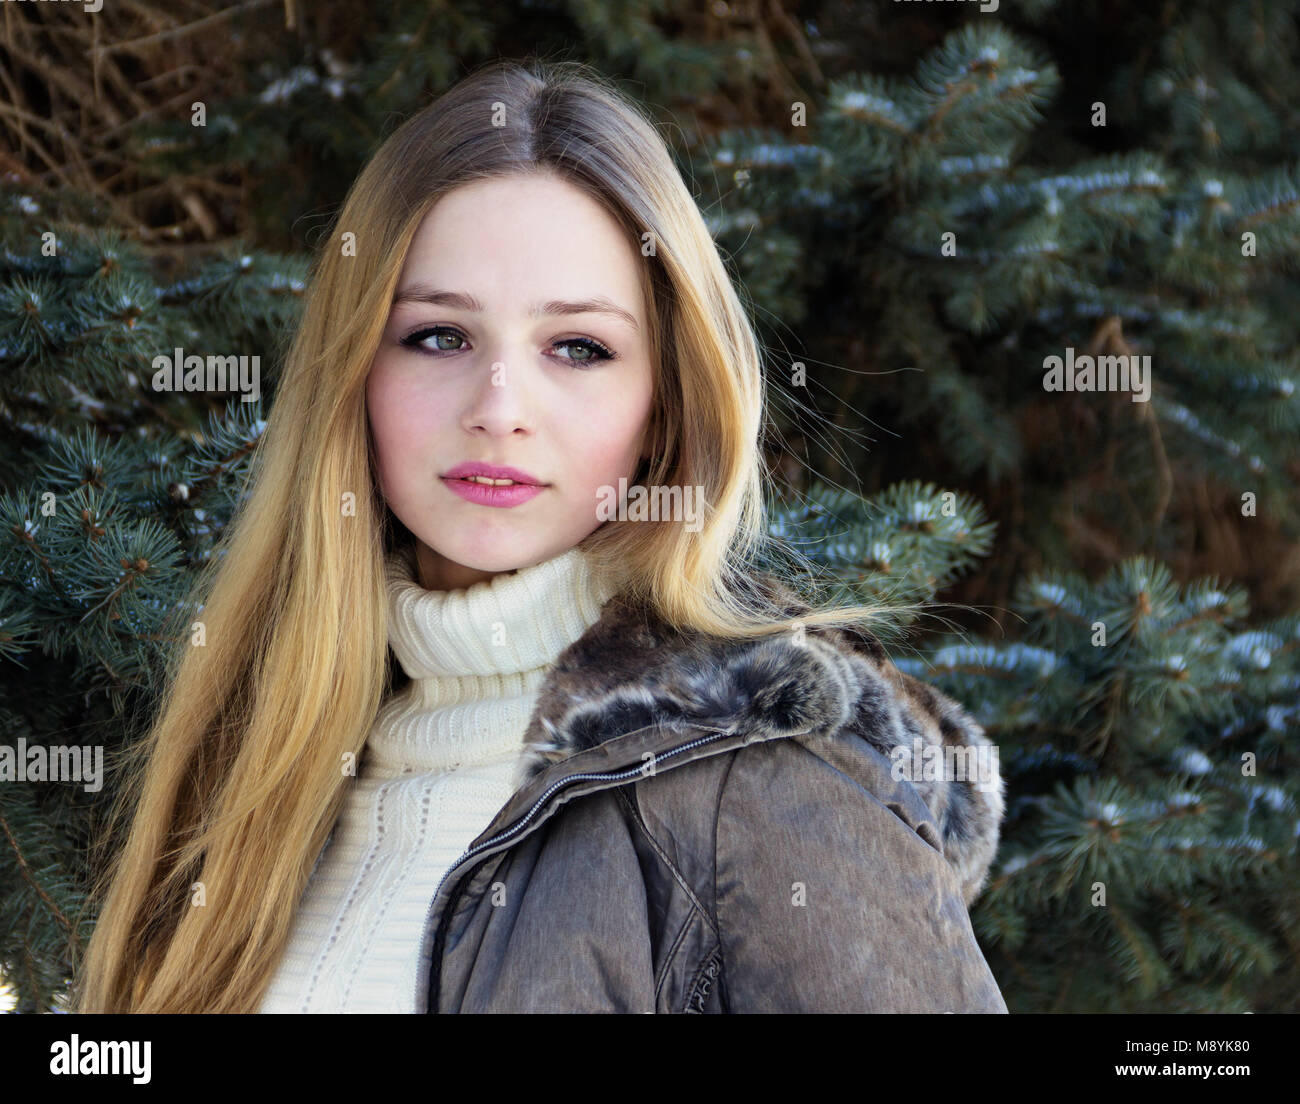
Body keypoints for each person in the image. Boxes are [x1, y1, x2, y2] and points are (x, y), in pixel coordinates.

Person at [73, 57, 1008, 1014]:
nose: (499, 407)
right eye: (439, 335)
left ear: (666, 407)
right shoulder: (254, 765)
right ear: (352, 367)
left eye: (578, 348)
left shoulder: (767, 778)